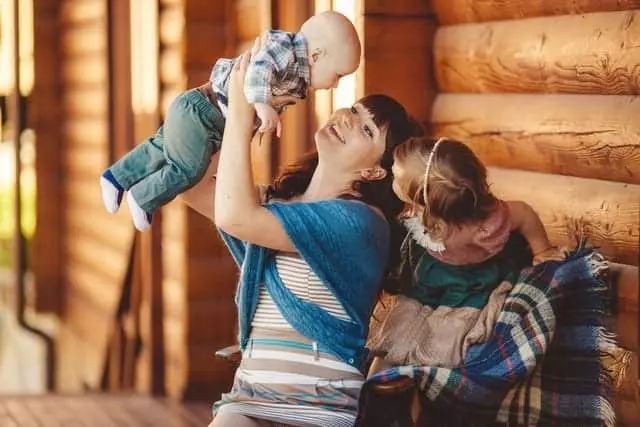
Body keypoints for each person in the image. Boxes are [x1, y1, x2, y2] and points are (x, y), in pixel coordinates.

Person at [180, 44, 424, 426]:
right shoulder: (279, 202)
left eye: (365, 128)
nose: (347, 117)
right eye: (355, 108)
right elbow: (186, 180)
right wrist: (227, 95)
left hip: (320, 412)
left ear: (375, 172)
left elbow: (234, 215)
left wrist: (245, 117)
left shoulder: (360, 224)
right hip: (248, 401)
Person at [99, 11, 361, 231]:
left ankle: (116, 177)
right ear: (316, 56)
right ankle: (143, 196)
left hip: (201, 113)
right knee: (188, 168)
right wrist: (261, 104)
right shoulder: (287, 49)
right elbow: (259, 68)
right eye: (338, 75)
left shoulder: (297, 76)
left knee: (160, 148)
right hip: (202, 112)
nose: (336, 85)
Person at [368, 136, 564, 371]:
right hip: (424, 286)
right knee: (395, 337)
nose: (391, 172)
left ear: (425, 200)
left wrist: (542, 250)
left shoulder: (485, 226)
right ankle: (377, 384)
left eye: (396, 176)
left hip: (465, 289)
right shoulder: (434, 211)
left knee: (441, 342)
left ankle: (424, 379)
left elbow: (523, 214)